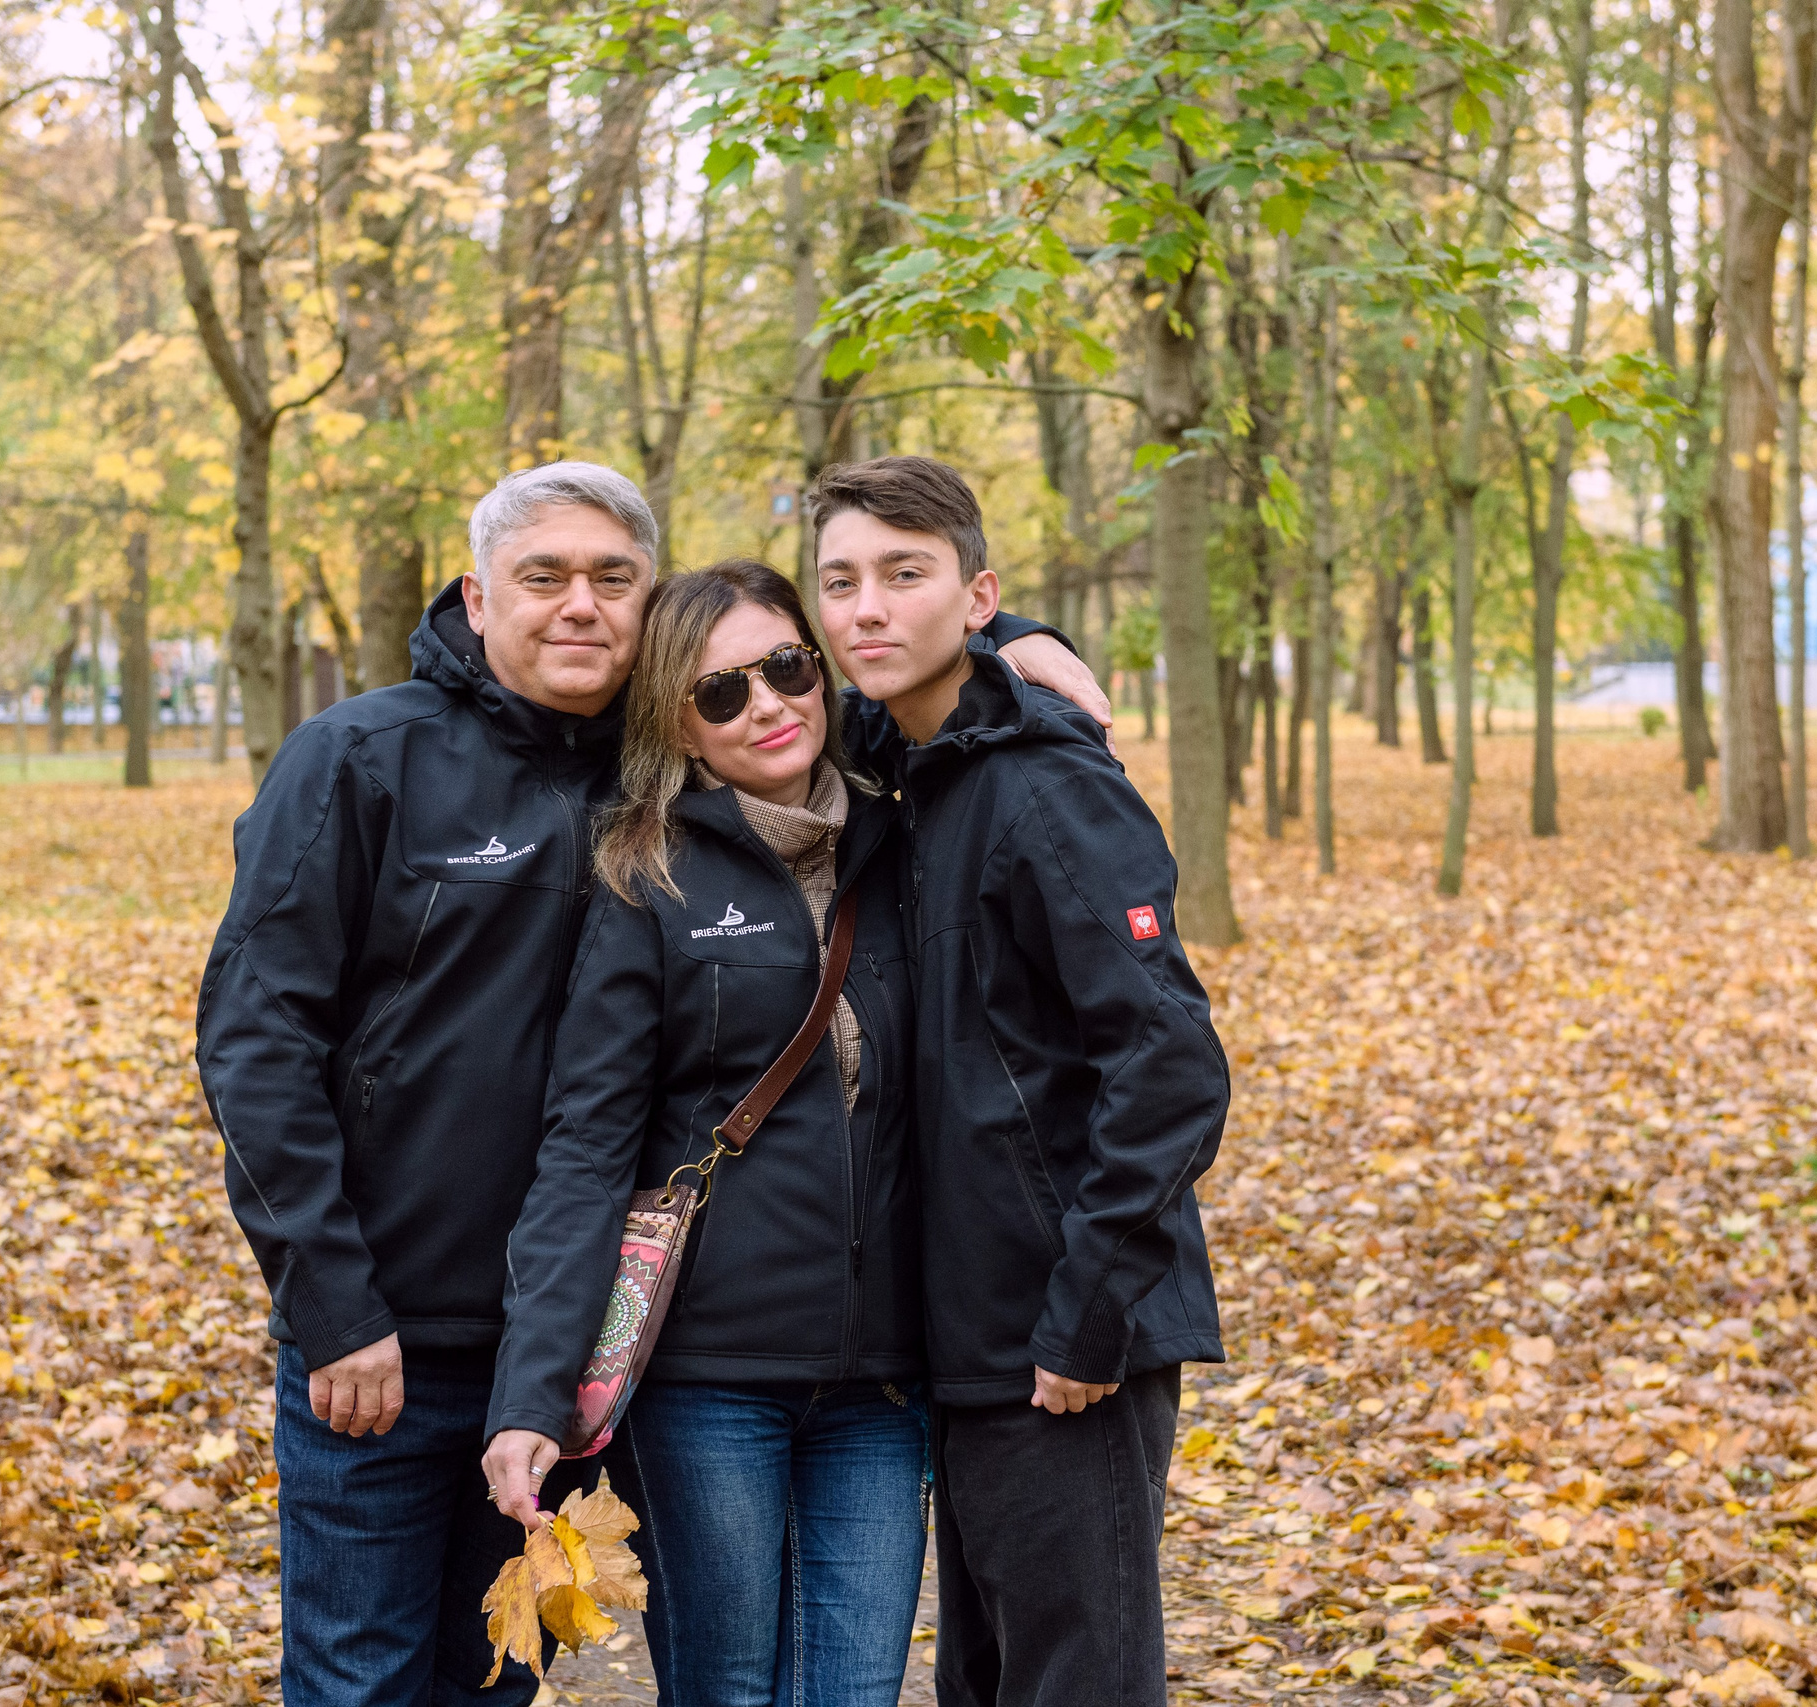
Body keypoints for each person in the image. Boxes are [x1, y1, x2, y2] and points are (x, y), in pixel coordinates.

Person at [195, 461, 1101, 1706]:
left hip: (588, 1341)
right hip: (394, 1336)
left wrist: (1014, 634)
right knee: (360, 1680)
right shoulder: (364, 760)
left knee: (491, 1680)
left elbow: (873, 676)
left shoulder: (686, 772)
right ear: (476, 591)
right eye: (543, 576)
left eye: (612, 579)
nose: (579, 605)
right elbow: (254, 1045)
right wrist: (334, 1304)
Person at [811, 456, 1229, 1707]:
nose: (866, 609)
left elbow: (1170, 1064)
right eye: (840, 583)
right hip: (969, 1331)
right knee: (988, 1680)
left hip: (1060, 1333)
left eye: (905, 575)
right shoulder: (910, 767)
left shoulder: (1049, 786)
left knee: (1076, 1679)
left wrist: (1088, 1311)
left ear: (975, 592)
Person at [482, 560, 927, 1707]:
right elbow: (585, 1147)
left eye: (785, 668)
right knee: (726, 1692)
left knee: (853, 1695)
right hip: (708, 1380)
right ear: (675, 723)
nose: (767, 705)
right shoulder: (648, 878)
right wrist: (532, 1395)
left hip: (883, 1380)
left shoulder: (907, 841)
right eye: (719, 692)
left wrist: (1024, 640)